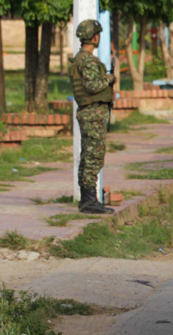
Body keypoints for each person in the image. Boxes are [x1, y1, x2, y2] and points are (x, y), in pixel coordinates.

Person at [69, 19, 116, 215]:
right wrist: (110, 77)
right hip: (92, 114)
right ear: (94, 37)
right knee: (93, 157)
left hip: (90, 113)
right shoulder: (87, 60)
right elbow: (92, 86)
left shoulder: (80, 58)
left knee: (88, 156)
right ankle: (89, 201)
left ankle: (87, 199)